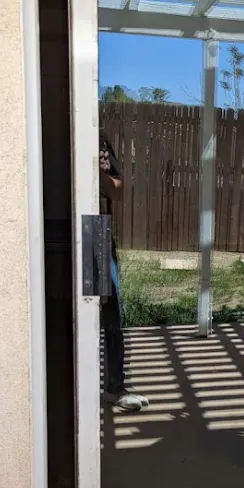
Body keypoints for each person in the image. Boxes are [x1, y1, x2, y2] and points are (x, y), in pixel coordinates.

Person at [100, 129, 149, 413]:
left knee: (112, 316)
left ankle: (114, 388)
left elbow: (116, 191)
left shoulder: (100, 139)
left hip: (99, 234)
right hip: (62, 236)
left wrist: (101, 175)